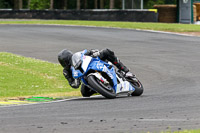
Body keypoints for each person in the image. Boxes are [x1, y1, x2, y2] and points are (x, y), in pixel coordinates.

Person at [58, 48, 130, 97]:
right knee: (84, 93)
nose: (65, 64)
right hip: (85, 77)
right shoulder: (66, 72)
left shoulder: (78, 55)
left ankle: (123, 68)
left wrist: (94, 52)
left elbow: (88, 52)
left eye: (65, 61)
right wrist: (76, 81)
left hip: (93, 65)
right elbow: (72, 84)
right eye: (62, 62)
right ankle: (101, 88)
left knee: (106, 51)